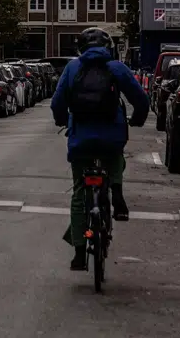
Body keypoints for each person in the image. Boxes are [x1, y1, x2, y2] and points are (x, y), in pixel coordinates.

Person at [50, 27, 150, 271]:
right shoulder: (116, 68)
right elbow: (141, 99)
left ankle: (78, 250)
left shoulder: (73, 68)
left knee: (78, 192)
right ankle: (116, 189)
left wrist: (62, 119)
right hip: (111, 136)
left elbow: (57, 102)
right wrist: (137, 118)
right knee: (115, 156)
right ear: (108, 47)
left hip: (81, 139)